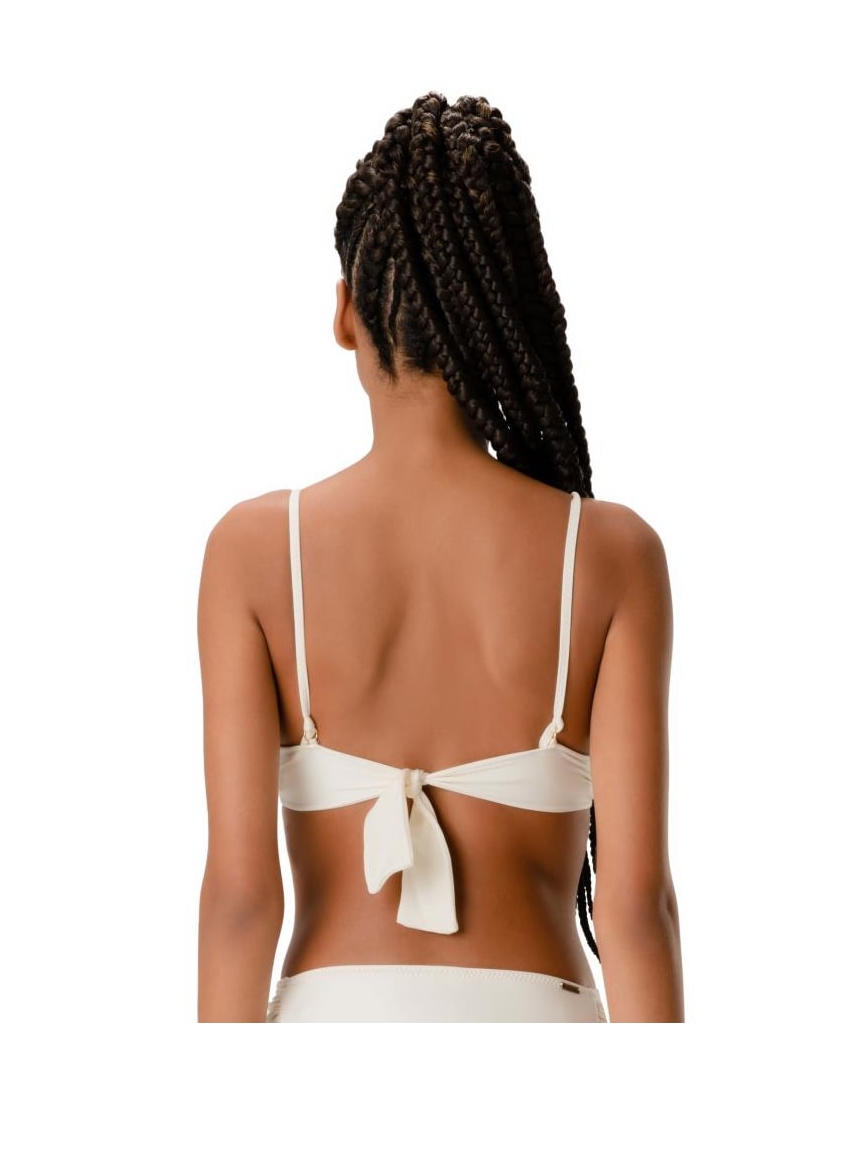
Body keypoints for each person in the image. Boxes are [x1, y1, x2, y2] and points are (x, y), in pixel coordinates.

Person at [196, 93, 684, 1022]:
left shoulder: (253, 553)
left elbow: (241, 902)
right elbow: (634, 911)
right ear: (509, 314)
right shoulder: (611, 556)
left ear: (346, 314)